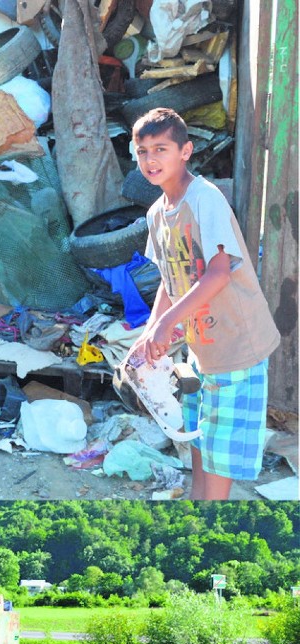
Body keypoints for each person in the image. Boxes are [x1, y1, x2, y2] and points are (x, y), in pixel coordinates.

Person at [131, 107, 280, 500]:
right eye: (142, 151)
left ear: (186, 151)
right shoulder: (156, 214)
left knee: (217, 469)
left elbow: (218, 273)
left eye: (160, 149)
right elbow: (170, 278)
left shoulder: (205, 199)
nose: (150, 160)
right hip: (202, 352)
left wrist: (167, 326)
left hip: (237, 350)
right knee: (199, 446)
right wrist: (150, 331)